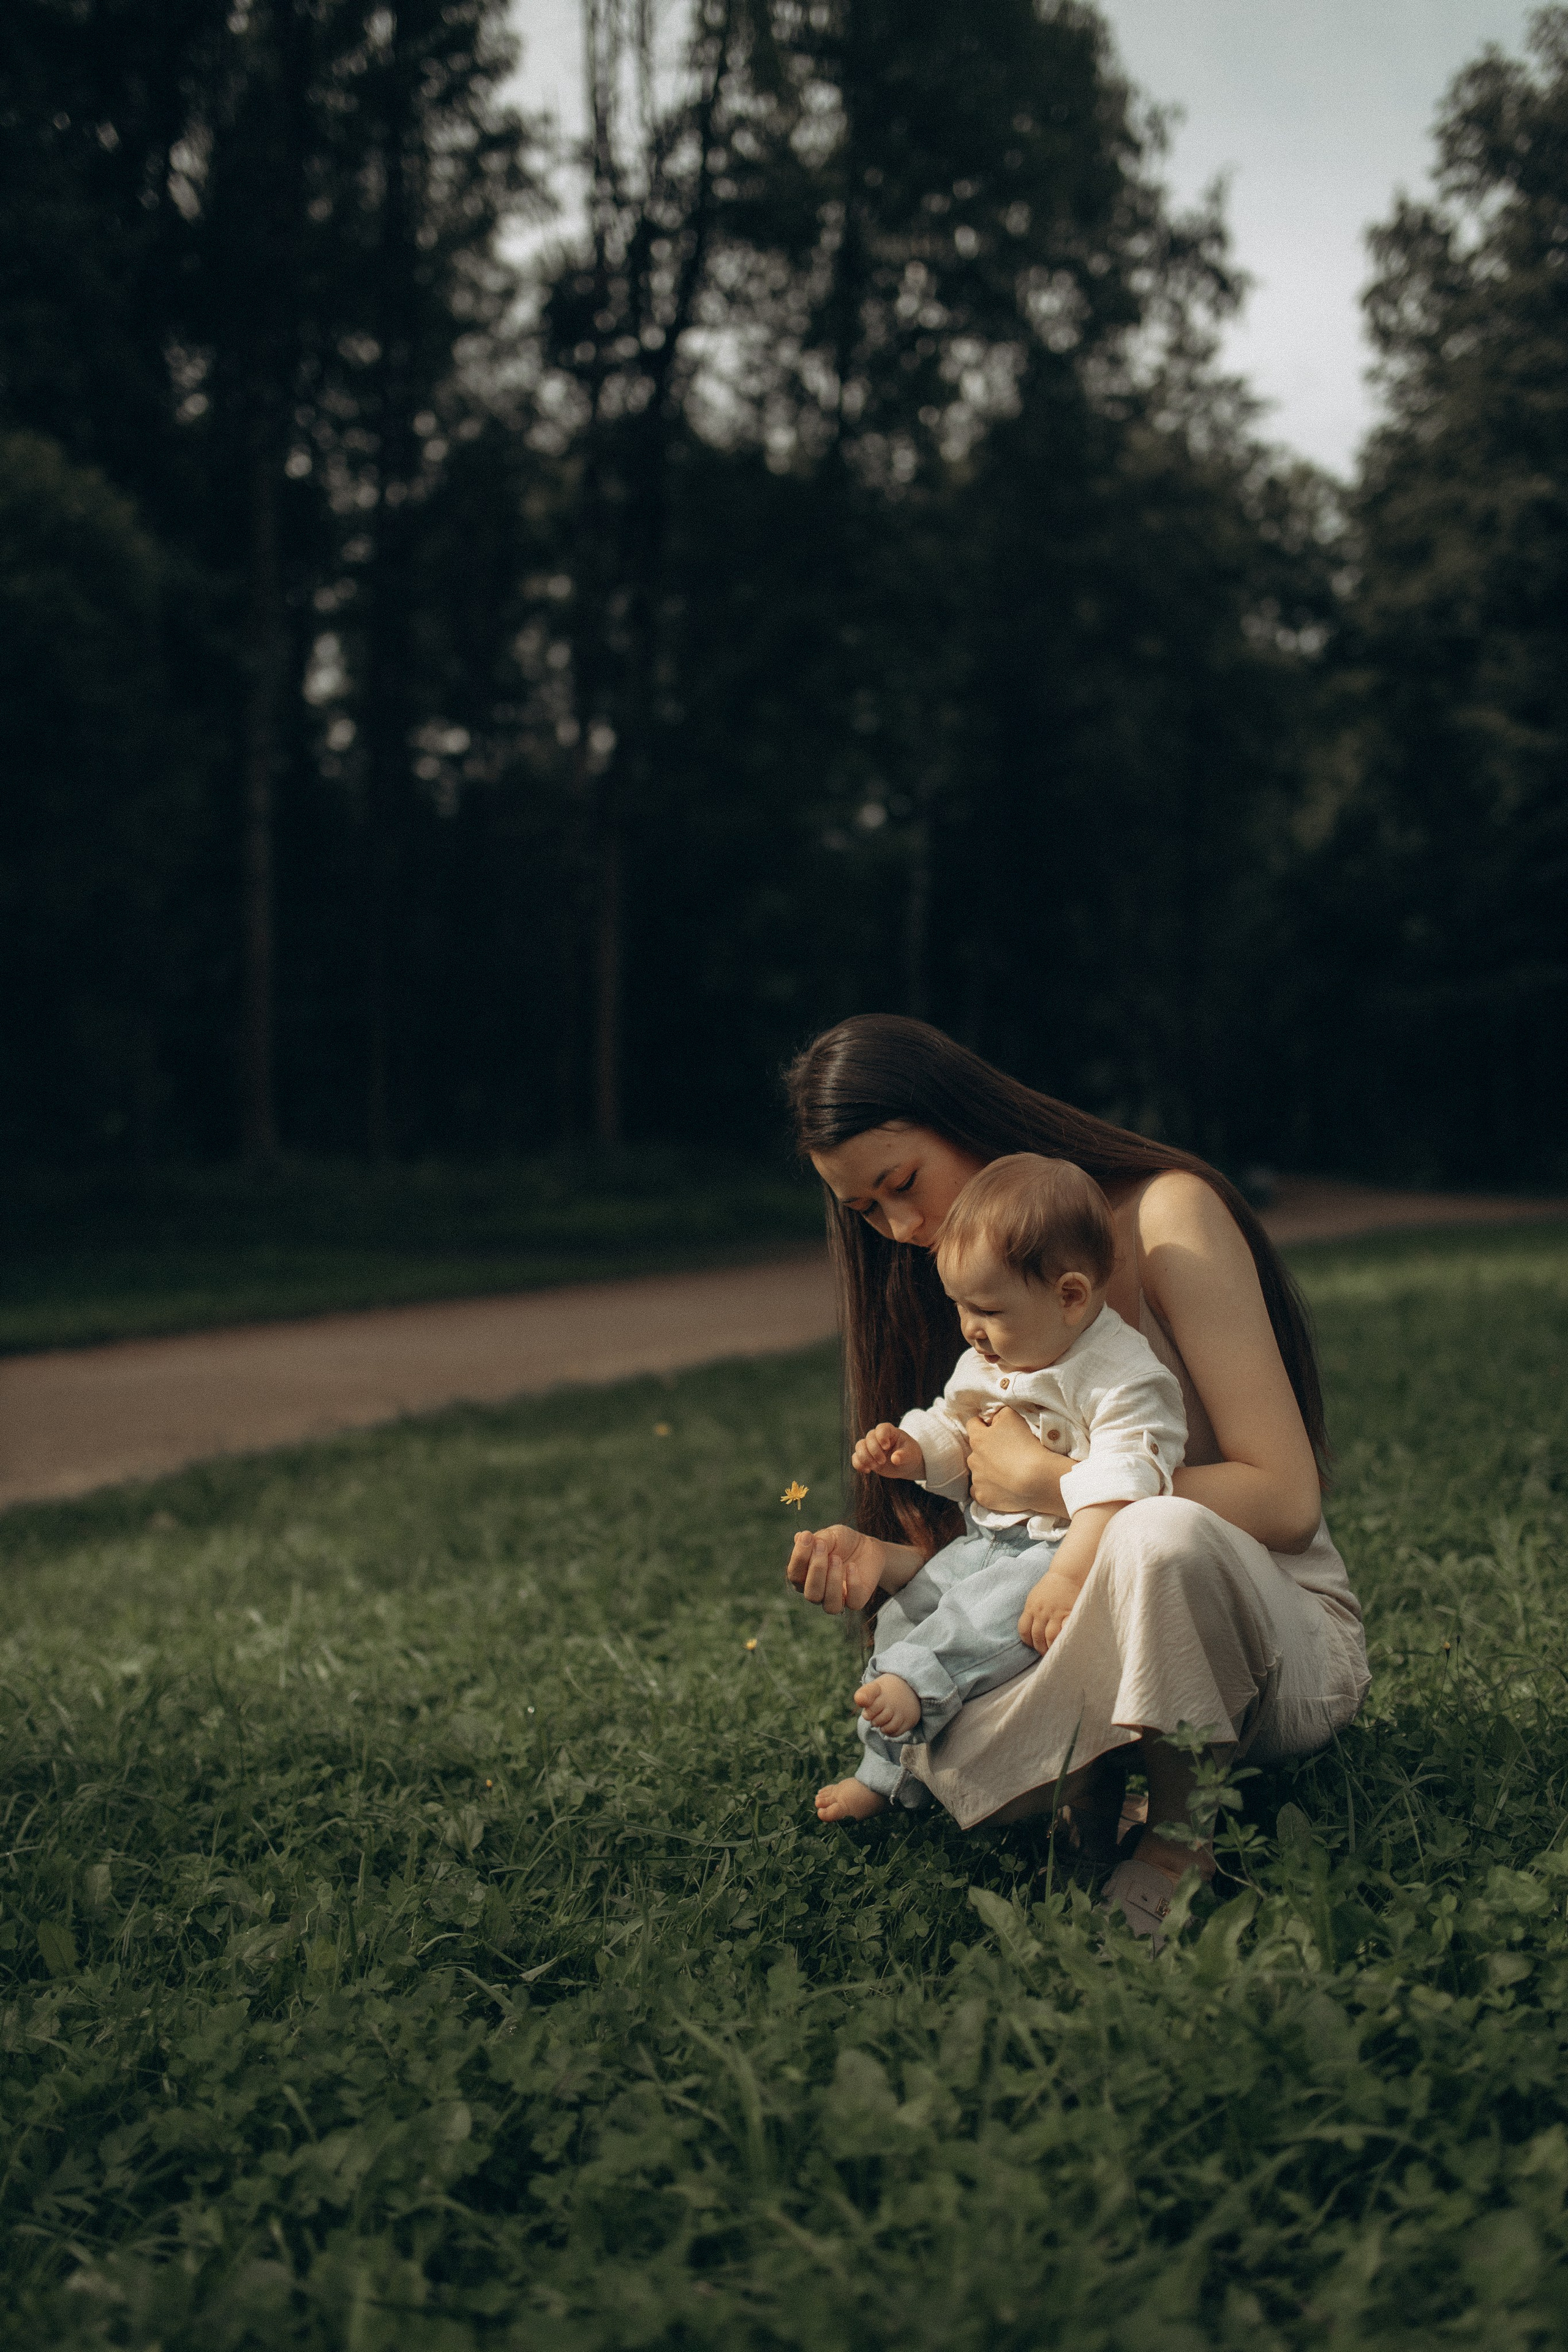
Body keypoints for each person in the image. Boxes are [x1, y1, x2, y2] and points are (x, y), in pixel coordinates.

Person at [783, 1015, 1370, 1941]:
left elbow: (1286, 1504)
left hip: (1273, 1639)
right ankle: (1100, 1777)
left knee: (1151, 1532)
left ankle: (1178, 1846)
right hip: (1076, 1615)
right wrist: (889, 1558)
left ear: (960, 1115)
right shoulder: (971, 1285)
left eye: (901, 1185)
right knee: (951, 1741)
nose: (900, 1228)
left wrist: (1058, 1482)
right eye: (866, 1213)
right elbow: (1000, 1552)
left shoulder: (1166, 1216)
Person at [820, 1152, 1187, 1825]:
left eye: (986, 1310)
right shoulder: (989, 1355)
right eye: (959, 1306)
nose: (969, 1330)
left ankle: (918, 1687)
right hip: (984, 1540)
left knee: (981, 1619)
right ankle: (881, 1773)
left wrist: (1069, 1576)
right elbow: (954, 1425)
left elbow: (1123, 1489)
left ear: (1070, 1296)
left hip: (1058, 1556)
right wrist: (912, 1450)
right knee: (908, 1614)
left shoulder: (1123, 1377)